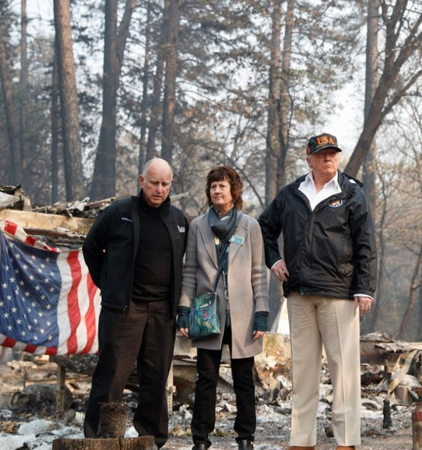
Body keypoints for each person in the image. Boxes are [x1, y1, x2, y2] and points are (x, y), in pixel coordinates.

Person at [259, 133, 377, 450]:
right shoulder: (291, 194)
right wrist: (275, 260)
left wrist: (364, 288)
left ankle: (346, 442)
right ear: (309, 158)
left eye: (333, 153)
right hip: (298, 294)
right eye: (322, 153)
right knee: (304, 371)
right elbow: (264, 228)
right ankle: (301, 441)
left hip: (340, 293)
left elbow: (366, 245)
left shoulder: (352, 193)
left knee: (344, 373)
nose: (329, 158)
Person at [82, 158, 188, 448]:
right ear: (142, 181)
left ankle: (151, 437)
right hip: (125, 309)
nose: (159, 189)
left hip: (161, 311)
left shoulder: (178, 220)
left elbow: (183, 264)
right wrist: (110, 283)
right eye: (154, 182)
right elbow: (91, 247)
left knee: (155, 376)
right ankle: (99, 436)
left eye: (165, 184)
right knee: (113, 372)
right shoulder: (119, 213)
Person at [177, 166, 269, 450]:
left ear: (234, 191)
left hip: (242, 314)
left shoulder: (250, 226)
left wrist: (261, 312)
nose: (217, 191)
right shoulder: (197, 226)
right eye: (213, 186)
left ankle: (245, 438)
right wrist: (183, 308)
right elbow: (190, 270)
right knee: (206, 379)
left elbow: (258, 273)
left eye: (223, 186)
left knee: (244, 380)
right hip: (207, 314)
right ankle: (201, 440)